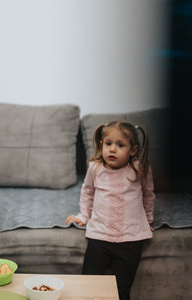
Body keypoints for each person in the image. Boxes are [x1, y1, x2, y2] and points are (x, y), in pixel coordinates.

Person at [65, 120, 155, 300]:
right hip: (100, 237)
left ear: (133, 150)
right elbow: (88, 192)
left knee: (122, 289)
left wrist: (148, 220)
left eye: (120, 145)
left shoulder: (140, 169)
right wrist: (84, 215)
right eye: (108, 144)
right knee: (89, 286)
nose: (112, 149)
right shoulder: (95, 168)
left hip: (131, 239)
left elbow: (148, 195)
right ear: (101, 144)